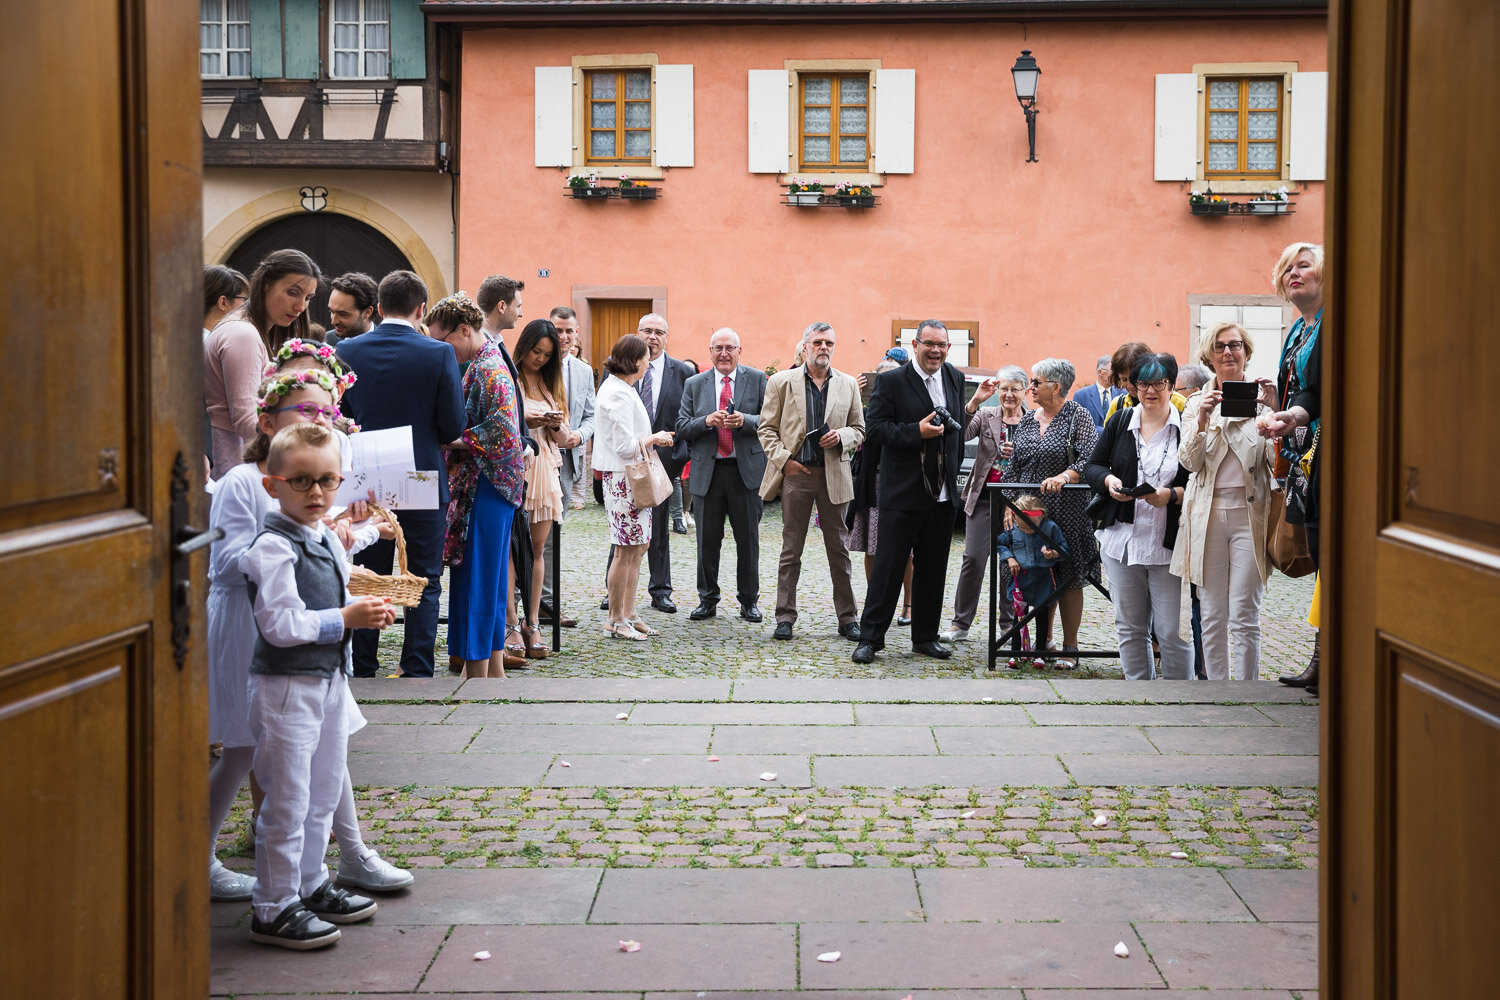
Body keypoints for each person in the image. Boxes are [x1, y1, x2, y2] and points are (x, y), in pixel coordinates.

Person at [239, 422, 397, 949]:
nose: (316, 493)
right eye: (302, 481)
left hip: (328, 679)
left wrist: (372, 604)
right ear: (273, 484)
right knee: (286, 797)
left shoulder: (321, 533)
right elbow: (280, 625)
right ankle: (273, 904)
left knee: (323, 789)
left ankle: (310, 882)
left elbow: (339, 571)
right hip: (285, 686)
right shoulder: (270, 546)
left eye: (327, 481)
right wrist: (345, 620)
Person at [336, 270, 466, 678]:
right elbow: (453, 426)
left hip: (366, 479)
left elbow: (340, 417)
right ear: (421, 309)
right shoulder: (438, 353)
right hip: (421, 475)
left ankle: (363, 664)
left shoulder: (347, 348)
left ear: (378, 306)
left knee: (367, 573)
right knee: (423, 575)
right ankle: (416, 666)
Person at [852, 320, 965, 664]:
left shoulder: (955, 378)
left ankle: (925, 637)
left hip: (942, 493)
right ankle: (871, 638)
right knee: (888, 568)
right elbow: (876, 431)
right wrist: (915, 431)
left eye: (942, 345)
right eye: (929, 343)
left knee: (933, 569)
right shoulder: (891, 381)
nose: (936, 350)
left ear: (948, 348)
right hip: (902, 493)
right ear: (915, 345)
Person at [427, 292, 528, 678]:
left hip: (487, 482)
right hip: (489, 482)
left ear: (464, 330)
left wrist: (449, 440)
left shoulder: (487, 367)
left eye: (441, 340)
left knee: (478, 576)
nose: (438, 348)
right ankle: (492, 666)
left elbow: (503, 431)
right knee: (487, 574)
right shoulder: (482, 361)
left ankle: (478, 669)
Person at [1172, 322, 1276, 681]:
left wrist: (1276, 419)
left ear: (1246, 352)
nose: (1228, 352)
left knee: (1244, 611)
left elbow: (1276, 465)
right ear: (1209, 356)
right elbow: (1188, 463)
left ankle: (1247, 691)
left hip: (1251, 515)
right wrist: (1202, 418)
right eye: (1219, 347)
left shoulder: (1264, 402)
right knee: (1213, 611)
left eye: (1235, 345)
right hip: (1207, 515)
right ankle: (1217, 689)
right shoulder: (1195, 403)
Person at [1084, 352, 1194, 680]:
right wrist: (1108, 481)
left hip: (1169, 546)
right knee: (1130, 628)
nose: (1150, 391)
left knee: (1172, 632)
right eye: (1143, 383)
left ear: (1171, 385)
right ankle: (1140, 697)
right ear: (1134, 386)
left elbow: (1200, 484)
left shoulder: (1186, 428)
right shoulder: (1121, 422)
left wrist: (1169, 496)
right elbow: (1093, 465)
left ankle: (1179, 701)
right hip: (1122, 542)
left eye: (1158, 383)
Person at [759, 323, 865, 641]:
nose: (823, 347)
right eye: (817, 342)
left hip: (834, 474)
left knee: (840, 551)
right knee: (791, 550)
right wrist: (784, 461)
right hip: (797, 474)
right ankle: (784, 617)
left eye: (829, 342)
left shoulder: (848, 384)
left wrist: (842, 436)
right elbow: (766, 429)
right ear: (805, 346)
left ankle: (848, 618)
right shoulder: (781, 382)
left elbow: (860, 429)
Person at [999, 358, 1100, 665]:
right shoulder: (1028, 420)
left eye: (1035, 382)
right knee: (1037, 573)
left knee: (1067, 576)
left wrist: (1065, 477)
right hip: (1028, 514)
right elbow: (1013, 467)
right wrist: (1009, 503)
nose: (1030, 387)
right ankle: (1043, 643)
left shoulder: (1077, 417)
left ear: (1056, 387)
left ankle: (1071, 648)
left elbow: (1090, 460)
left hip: (1067, 509)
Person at [1259, 241, 1326, 696]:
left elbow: (1321, 391)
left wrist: (1295, 414)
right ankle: (1323, 660)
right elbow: (1304, 393)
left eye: (1304, 266)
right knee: (1322, 556)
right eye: (1287, 269)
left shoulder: (1330, 324)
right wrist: (1279, 408)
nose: (1294, 274)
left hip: (1329, 451)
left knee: (1329, 554)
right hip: (1304, 456)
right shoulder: (1297, 331)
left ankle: (1327, 660)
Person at [676, 328, 768, 622]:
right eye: (719, 348)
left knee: (748, 540)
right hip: (709, 471)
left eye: (730, 348)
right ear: (710, 351)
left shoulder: (756, 379)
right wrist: (706, 420)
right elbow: (681, 425)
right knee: (707, 540)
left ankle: (749, 600)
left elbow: (769, 421)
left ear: (740, 351)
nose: (724, 353)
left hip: (745, 472)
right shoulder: (695, 383)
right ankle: (707, 599)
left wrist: (746, 421)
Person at [205, 249, 321, 479]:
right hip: (233, 459)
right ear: (266, 284)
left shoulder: (245, 329)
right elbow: (247, 421)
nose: (300, 306)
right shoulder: (242, 334)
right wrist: (306, 438)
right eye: (292, 293)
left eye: (308, 298)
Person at [607, 313, 692, 614]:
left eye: (659, 332)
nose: (652, 337)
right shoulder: (618, 374)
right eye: (647, 331)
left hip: (663, 461)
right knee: (622, 530)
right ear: (638, 333)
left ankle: (660, 590)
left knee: (656, 529)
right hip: (625, 463)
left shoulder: (681, 371)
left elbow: (686, 416)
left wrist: (681, 453)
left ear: (667, 337)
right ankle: (614, 592)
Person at [593, 334, 675, 639]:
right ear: (633, 361)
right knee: (625, 550)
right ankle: (615, 619)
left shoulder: (624, 389)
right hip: (623, 478)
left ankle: (629, 612)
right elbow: (625, 446)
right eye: (644, 357)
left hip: (632, 478)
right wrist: (655, 437)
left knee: (638, 548)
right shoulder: (615, 393)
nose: (648, 362)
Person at [942, 365, 1030, 643]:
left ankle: (1008, 623)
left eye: (1015, 389)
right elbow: (959, 434)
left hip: (1017, 504)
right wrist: (975, 400)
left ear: (1024, 392)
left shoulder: (1033, 421)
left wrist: (1020, 452)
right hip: (983, 498)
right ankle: (960, 623)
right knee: (974, 558)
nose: (1009, 394)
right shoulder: (986, 414)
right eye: (1004, 389)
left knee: (1011, 564)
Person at [514, 318, 569, 653]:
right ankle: (509, 623)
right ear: (525, 346)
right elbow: (504, 420)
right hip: (519, 468)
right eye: (536, 351)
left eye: (547, 355)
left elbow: (563, 438)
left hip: (545, 469)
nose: (540, 359)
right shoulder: (511, 376)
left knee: (537, 551)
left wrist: (556, 424)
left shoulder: (549, 385)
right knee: (510, 551)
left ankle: (532, 622)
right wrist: (528, 421)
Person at [846, 356, 915, 625]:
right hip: (873, 483)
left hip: (902, 483)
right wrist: (856, 393)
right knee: (871, 547)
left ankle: (909, 604)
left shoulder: (909, 410)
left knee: (907, 551)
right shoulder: (866, 411)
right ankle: (873, 603)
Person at [539, 307, 594, 626]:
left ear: (576, 334)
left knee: (552, 537)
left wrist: (579, 436)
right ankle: (516, 606)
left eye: (569, 331)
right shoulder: (534, 364)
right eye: (558, 330)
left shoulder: (584, 371)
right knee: (530, 536)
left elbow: (591, 415)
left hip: (567, 462)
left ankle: (546, 605)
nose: (563, 337)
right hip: (536, 461)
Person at [995, 493, 1070, 667]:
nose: (1028, 530)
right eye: (1025, 527)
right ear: (1015, 517)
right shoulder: (1013, 529)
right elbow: (1000, 544)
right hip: (1021, 579)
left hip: (1043, 578)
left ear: (1042, 515)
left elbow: (1064, 548)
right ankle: (1015, 653)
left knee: (1041, 616)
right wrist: (1010, 558)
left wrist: (1054, 553)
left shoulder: (1050, 527)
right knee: (1019, 616)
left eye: (1032, 528)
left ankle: (1040, 654)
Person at [1173, 361, 1213, 679]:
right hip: (1185, 518)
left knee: (1204, 603)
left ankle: (1206, 668)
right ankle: (1197, 665)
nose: (1173, 395)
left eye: (1177, 389)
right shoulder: (1186, 413)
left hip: (1206, 515)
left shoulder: (1192, 409)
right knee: (1191, 601)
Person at [669, 357, 702, 535]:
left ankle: (683, 513)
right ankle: (677, 517)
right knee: (675, 478)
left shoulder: (698, 391)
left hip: (690, 438)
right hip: (671, 435)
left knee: (686, 477)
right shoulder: (673, 387)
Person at [324, 272, 378, 347]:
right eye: (332, 312)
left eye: (343, 314)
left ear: (367, 312)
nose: (333, 321)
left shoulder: (387, 347)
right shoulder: (324, 343)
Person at [1074, 354, 1123, 432]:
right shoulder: (1081, 395)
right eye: (1112, 371)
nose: (1116, 375)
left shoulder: (1122, 394)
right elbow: (1078, 426)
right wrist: (1106, 432)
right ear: (1100, 372)